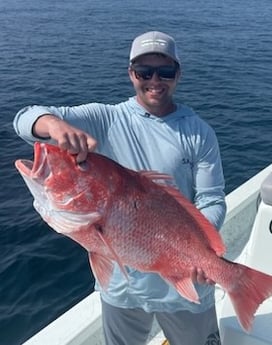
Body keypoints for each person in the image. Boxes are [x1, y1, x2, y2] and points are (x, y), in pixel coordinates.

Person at [14, 31, 226, 345]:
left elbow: (211, 199)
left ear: (178, 75)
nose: (155, 80)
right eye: (144, 72)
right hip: (121, 291)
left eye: (165, 72)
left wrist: (203, 257)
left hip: (184, 290)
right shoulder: (105, 118)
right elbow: (24, 121)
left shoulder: (198, 133)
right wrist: (54, 125)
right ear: (131, 74)